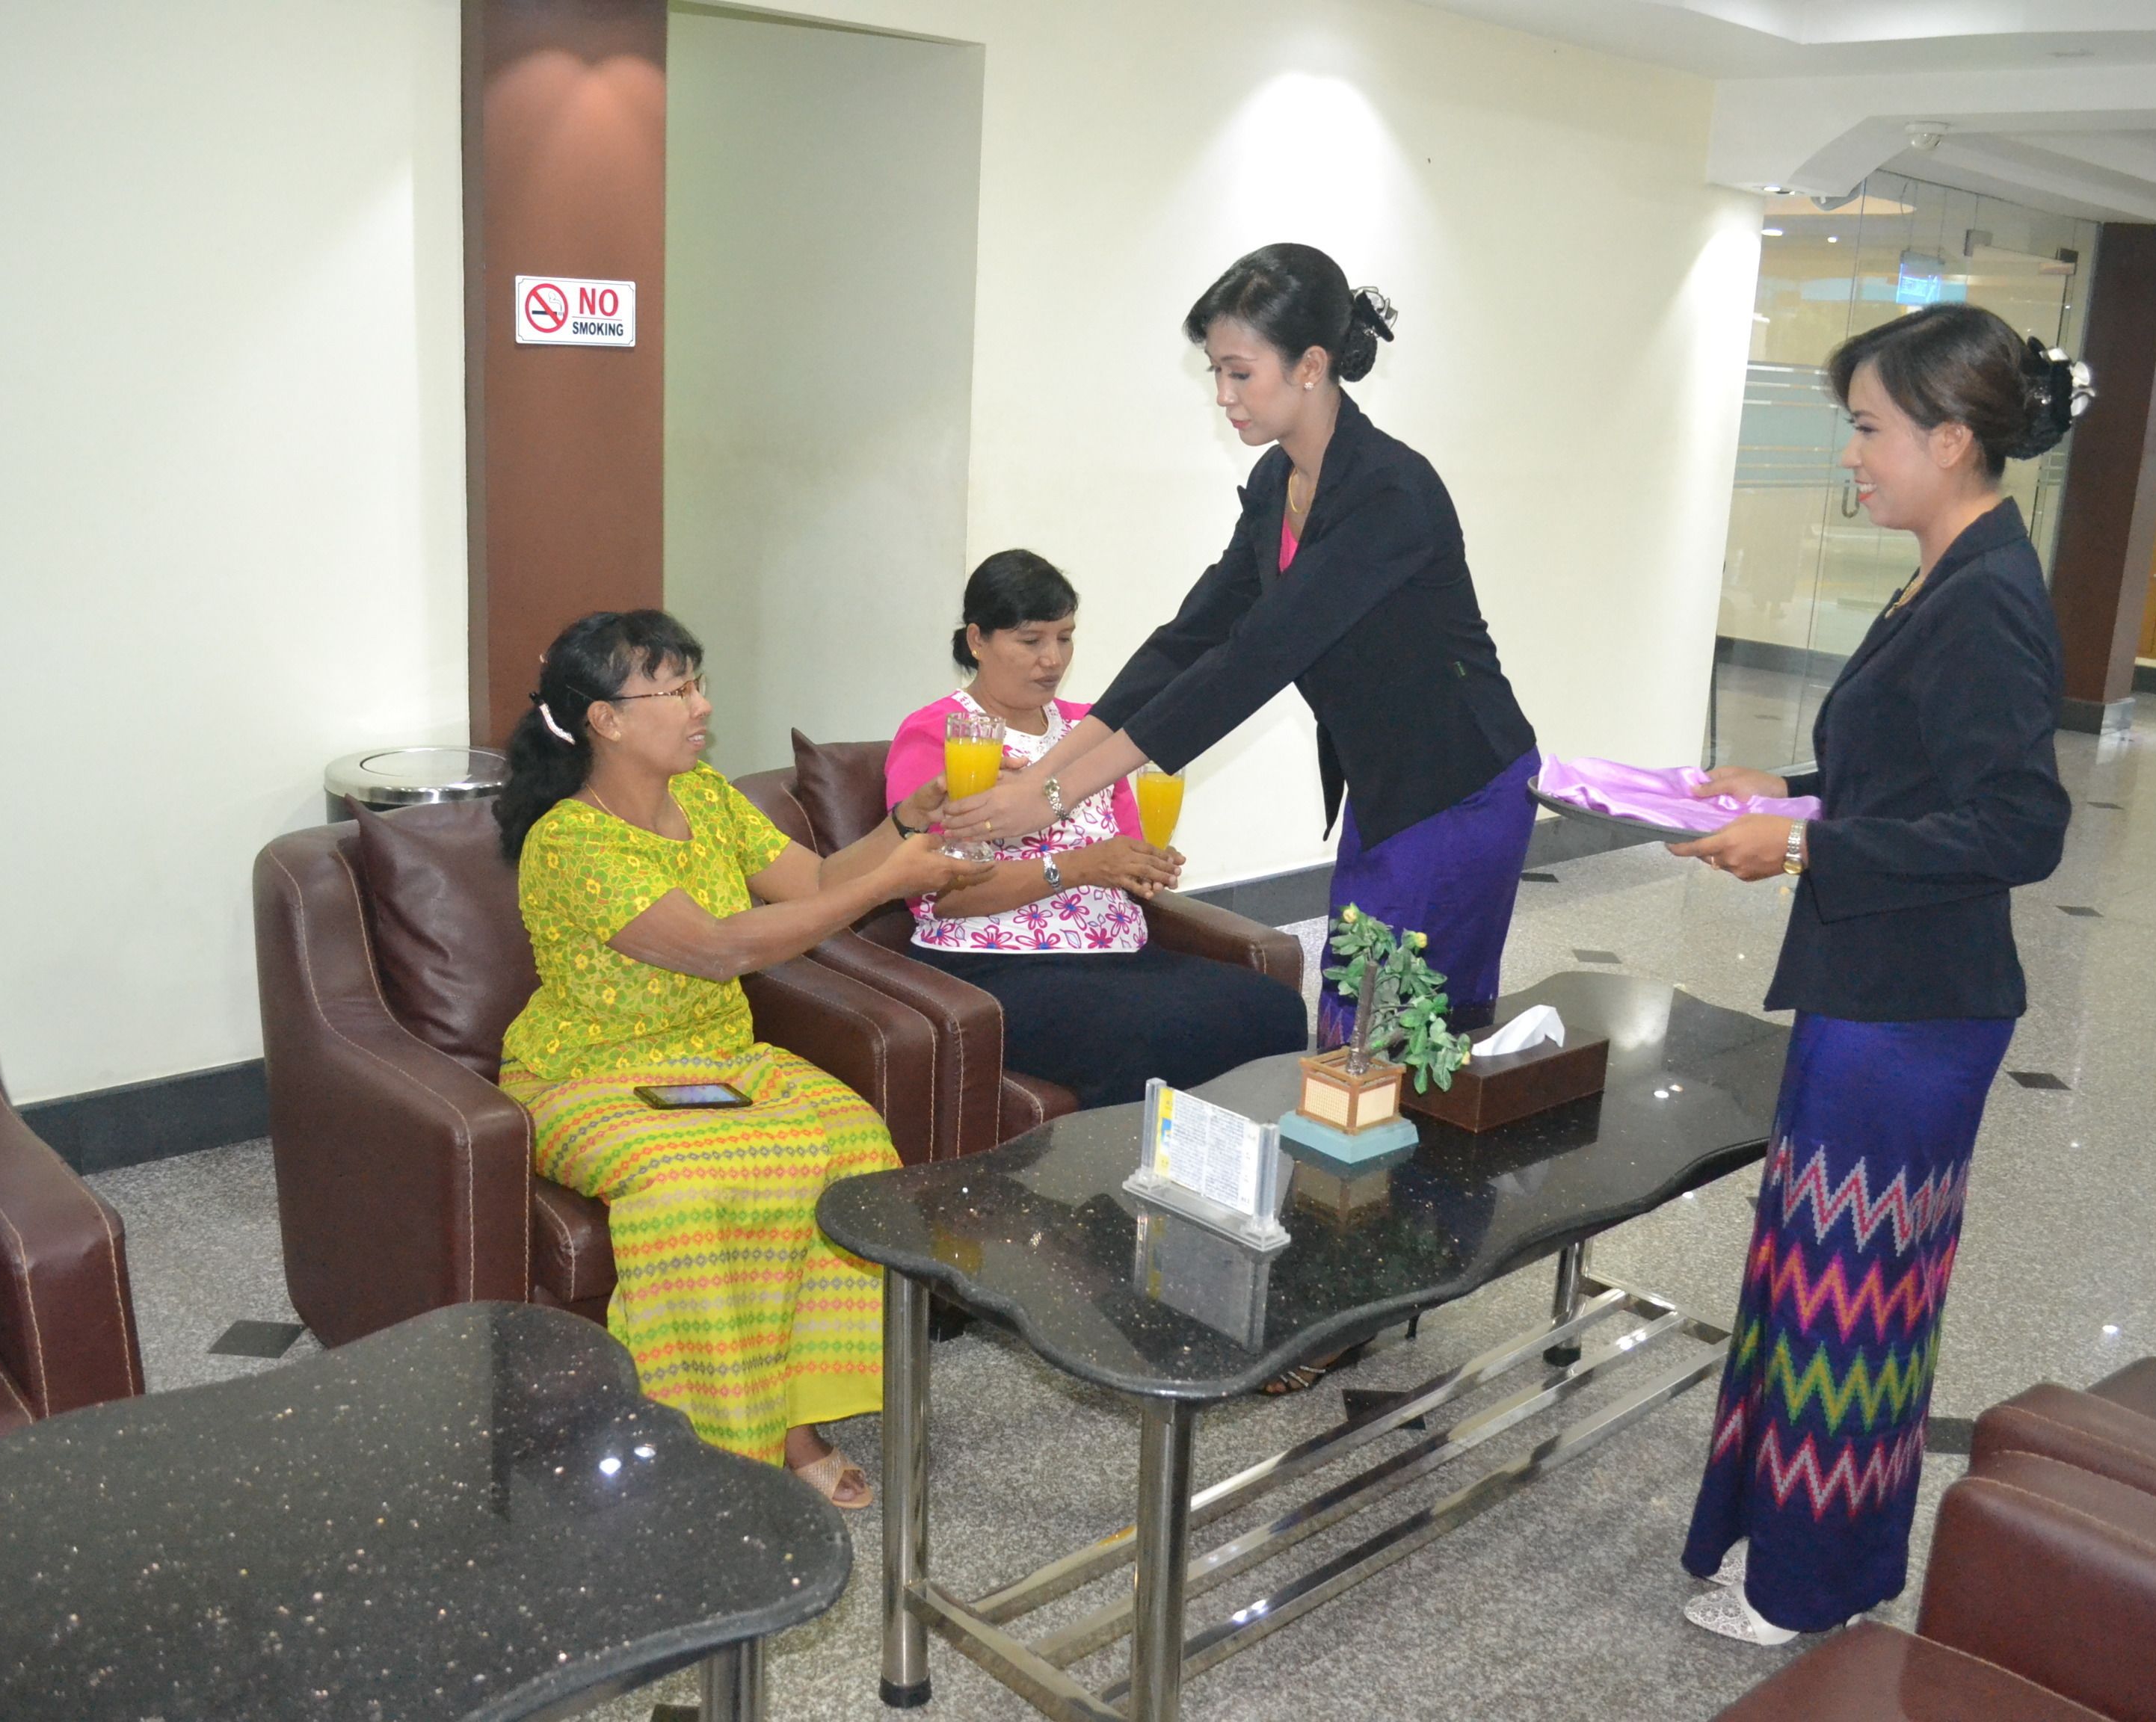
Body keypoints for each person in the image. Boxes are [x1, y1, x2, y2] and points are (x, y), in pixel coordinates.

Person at [1669, 303, 2078, 1641]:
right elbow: (1909, 771)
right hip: (1874, 987)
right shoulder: (1943, 569)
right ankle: (1777, 1541)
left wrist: (1802, 847)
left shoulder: (1987, 598)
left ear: (1951, 439)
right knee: (1810, 1280)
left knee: (1853, 1305)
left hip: (1916, 1007)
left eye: (1867, 429)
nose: (1850, 455)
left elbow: (2018, 824)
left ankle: (1808, 1581)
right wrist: (1786, 788)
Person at [941, 244, 1541, 1048]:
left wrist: (1051, 800)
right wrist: (1046, 773)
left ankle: (1419, 1174)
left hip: (1459, 785)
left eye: (1239, 372)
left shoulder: (1390, 493)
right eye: (1214, 374)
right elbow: (1190, 640)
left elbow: (1254, 660)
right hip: (1386, 783)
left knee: (1404, 1030)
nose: (1223, 396)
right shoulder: (1275, 485)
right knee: (1355, 1010)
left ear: (1310, 366)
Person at [494, 609, 985, 1509]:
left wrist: (899, 823)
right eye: (676, 690)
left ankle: (789, 1417)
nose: (701, 706)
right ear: (604, 719)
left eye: (695, 683)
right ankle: (706, 1439)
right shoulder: (570, 841)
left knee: (850, 1142)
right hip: (589, 1071)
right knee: (693, 1185)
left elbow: (819, 885)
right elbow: (718, 947)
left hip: (720, 1054)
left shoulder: (708, 798)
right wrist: (891, 881)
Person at [887, 550, 1308, 1109]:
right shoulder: (941, 734)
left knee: (1275, 1008)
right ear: (977, 640)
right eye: (1031, 640)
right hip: (991, 961)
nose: (1052, 659)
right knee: (1139, 1037)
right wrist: (1083, 866)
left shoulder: (1090, 731)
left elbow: (1123, 850)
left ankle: (1227, 1176)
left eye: (1065, 638)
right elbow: (938, 894)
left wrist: (1142, 865)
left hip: (1115, 952)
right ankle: (1108, 1192)